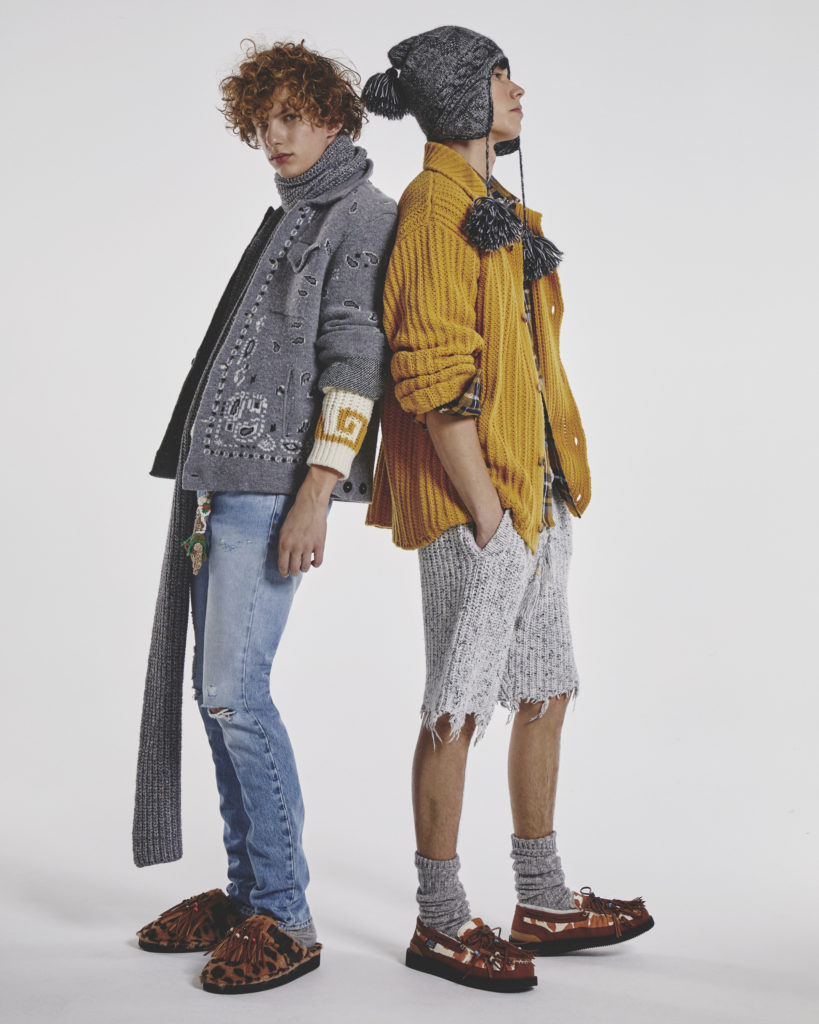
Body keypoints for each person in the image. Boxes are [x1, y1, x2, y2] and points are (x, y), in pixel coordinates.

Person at [363, 25, 653, 992]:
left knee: (545, 687)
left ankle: (541, 896)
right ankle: (439, 919)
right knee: (457, 706)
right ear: (458, 95)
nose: (518, 91)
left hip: (534, 494)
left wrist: (538, 499)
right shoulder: (432, 210)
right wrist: (487, 517)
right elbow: (431, 376)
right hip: (475, 508)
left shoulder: (492, 205)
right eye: (498, 78)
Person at [132, 39, 397, 995]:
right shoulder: (296, 211)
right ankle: (248, 891)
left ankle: (285, 914)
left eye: (290, 116)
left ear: (333, 116)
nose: (274, 137)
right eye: (261, 122)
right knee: (217, 695)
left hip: (272, 490)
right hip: (223, 484)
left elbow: (355, 356)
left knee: (236, 695)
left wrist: (316, 493)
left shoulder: (361, 214)